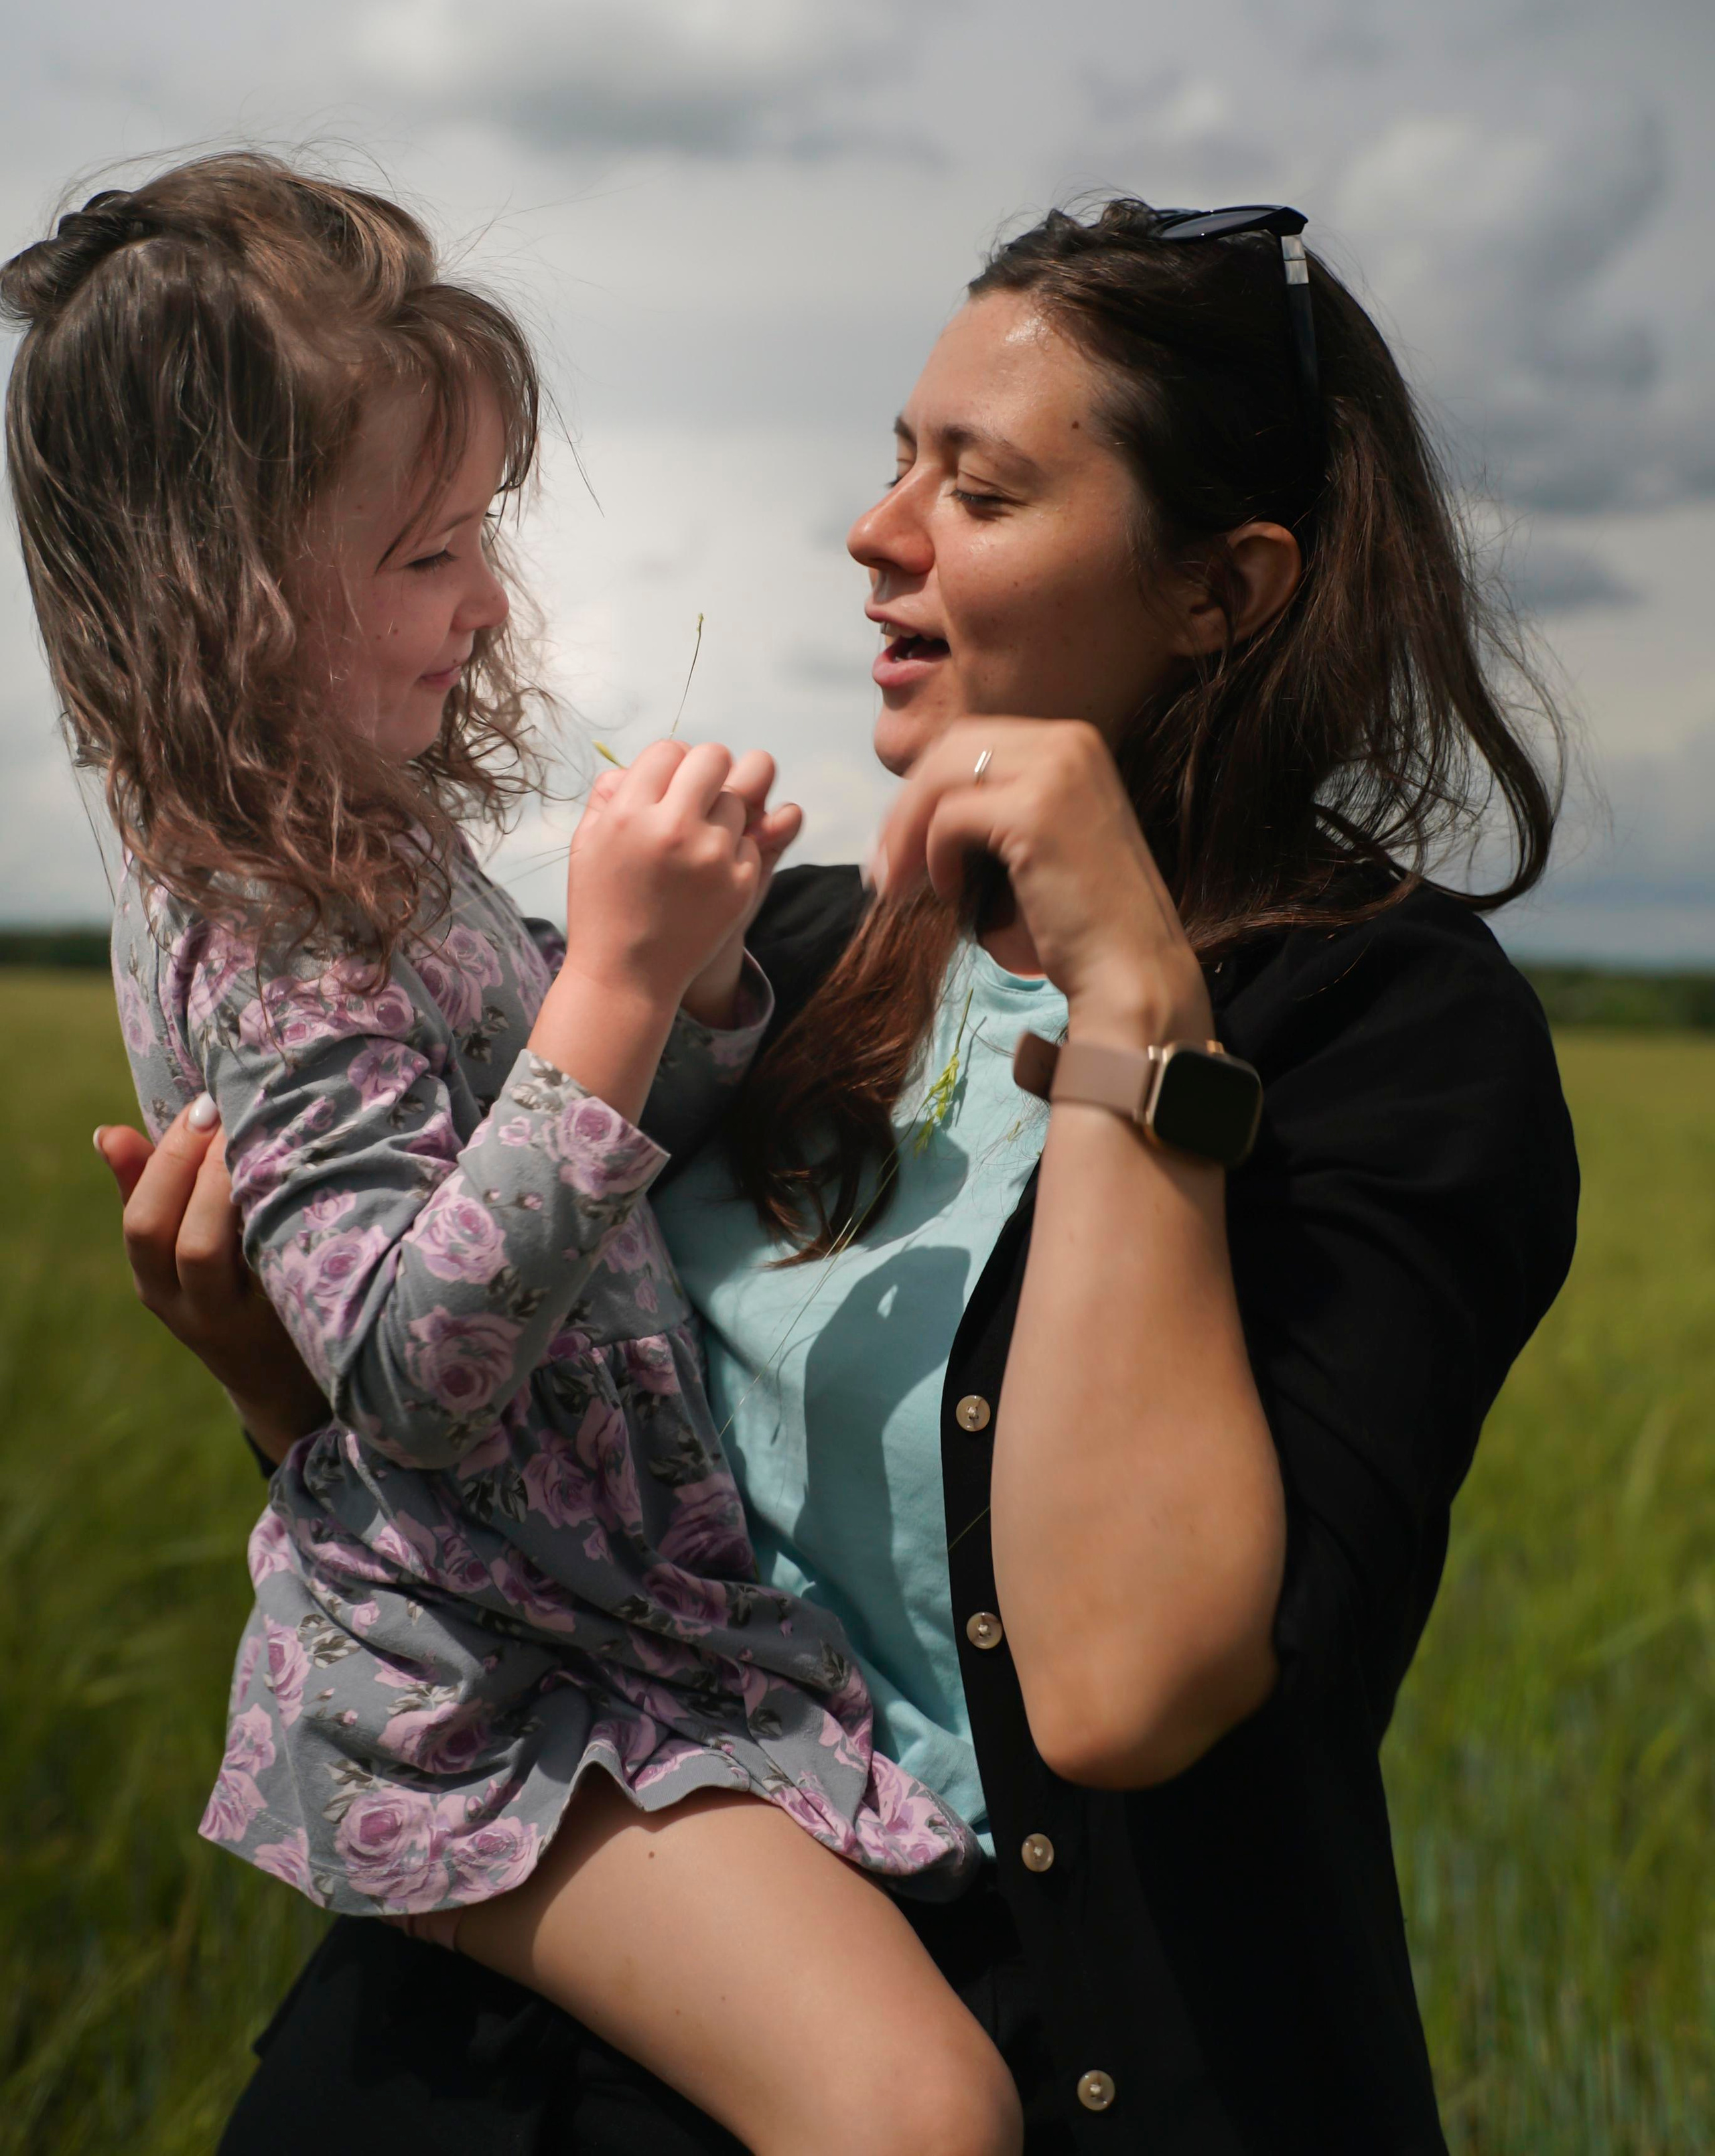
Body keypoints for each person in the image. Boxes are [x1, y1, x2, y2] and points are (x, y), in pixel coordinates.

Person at [96, 196, 1578, 2155]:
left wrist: (1140, 993)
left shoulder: (1389, 1040)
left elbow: (1126, 1688)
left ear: (1225, 587)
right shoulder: (805, 947)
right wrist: (282, 1387)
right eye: (895, 459)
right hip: (474, 2047)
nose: (878, 531)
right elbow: (477, 1388)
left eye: (979, 486)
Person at [4, 155, 1029, 2156]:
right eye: (423, 553)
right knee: (912, 2110)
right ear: (215, 594)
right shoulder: (259, 927)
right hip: (485, 1682)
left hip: (597, 1624)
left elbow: (571, 1153)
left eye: (477, 537)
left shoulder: (365, 859)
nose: (486, 600)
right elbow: (410, 1367)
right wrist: (616, 981)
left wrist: (699, 986)